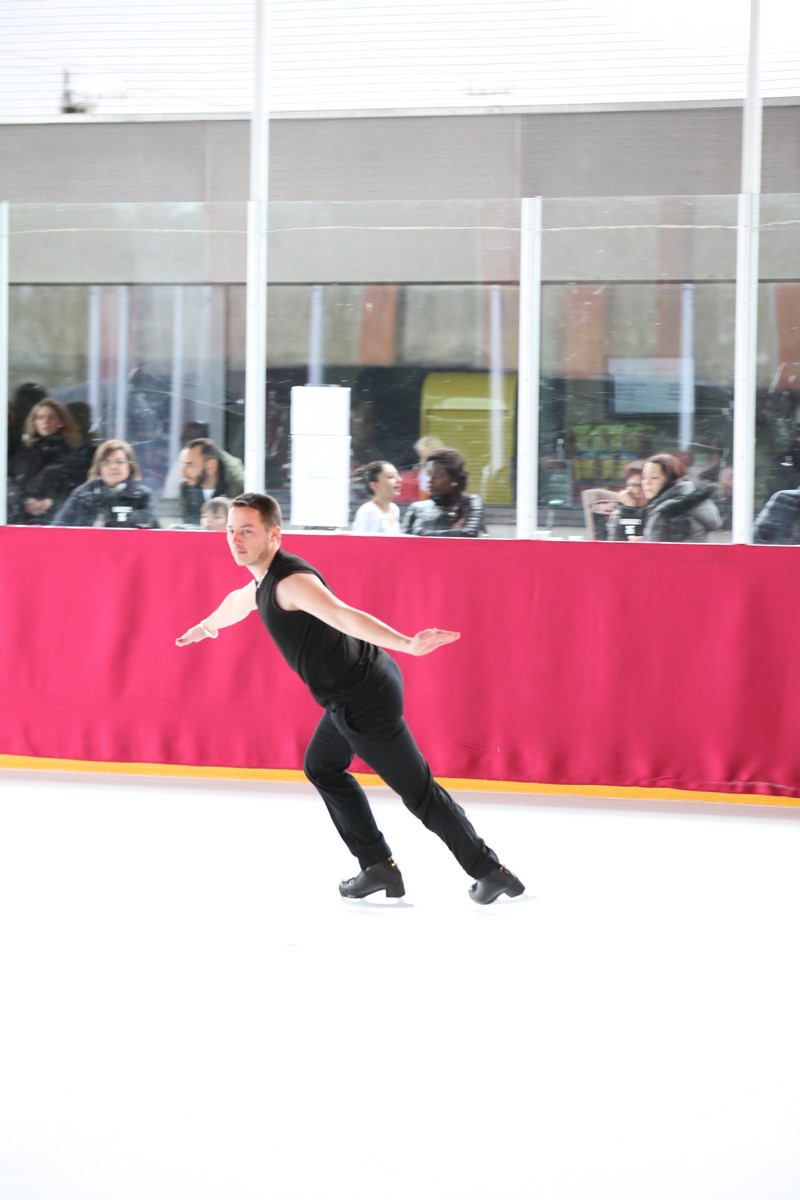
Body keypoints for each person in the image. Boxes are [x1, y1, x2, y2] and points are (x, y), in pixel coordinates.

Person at [175, 492, 524, 905]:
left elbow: (342, 615)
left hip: (362, 699)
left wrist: (408, 644)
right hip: (358, 690)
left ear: (274, 535)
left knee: (418, 792)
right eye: (231, 530)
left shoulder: (290, 582)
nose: (235, 540)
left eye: (247, 531)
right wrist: (206, 627)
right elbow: (239, 602)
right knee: (322, 767)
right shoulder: (266, 580)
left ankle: (489, 871)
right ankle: (377, 866)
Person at [8, 397, 93, 525]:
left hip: (60, 521)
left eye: (51, 417)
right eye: (40, 417)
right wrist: (23, 501)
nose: (46, 422)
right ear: (34, 422)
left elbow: (79, 486)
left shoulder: (74, 452)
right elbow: (9, 482)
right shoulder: (22, 453)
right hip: (21, 521)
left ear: (61, 421)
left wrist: (53, 501)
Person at [53, 439, 160, 528]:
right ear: (99, 467)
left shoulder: (142, 496)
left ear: (130, 466)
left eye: (120, 462)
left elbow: (155, 534)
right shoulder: (82, 494)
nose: (113, 467)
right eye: (106, 462)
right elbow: (59, 529)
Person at [635, 453, 722, 542]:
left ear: (671, 478)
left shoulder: (669, 510)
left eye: (654, 477)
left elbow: (659, 549)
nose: (647, 482)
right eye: (644, 477)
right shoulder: (690, 501)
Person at [402, 448, 486, 537]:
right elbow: (402, 540)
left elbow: (468, 534)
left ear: (454, 479)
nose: (430, 480)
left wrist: (420, 533)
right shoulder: (416, 508)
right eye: (428, 474)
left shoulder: (468, 503)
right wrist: (452, 532)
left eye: (438, 475)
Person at [178, 437, 244, 525]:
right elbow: (189, 525)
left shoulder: (240, 488)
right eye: (183, 464)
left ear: (211, 465)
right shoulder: (186, 487)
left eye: (190, 465)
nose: (183, 472)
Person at [351, 461, 402, 534]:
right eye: (390, 476)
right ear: (374, 485)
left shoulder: (394, 509)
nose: (399, 480)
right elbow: (363, 541)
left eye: (398, 475)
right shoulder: (370, 511)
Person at [607, 460, 647, 541]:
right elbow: (617, 541)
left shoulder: (655, 510)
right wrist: (629, 509)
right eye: (631, 485)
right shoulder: (621, 509)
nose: (636, 491)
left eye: (640, 486)